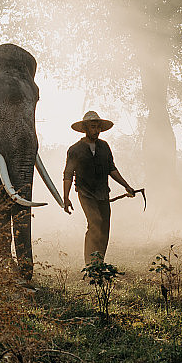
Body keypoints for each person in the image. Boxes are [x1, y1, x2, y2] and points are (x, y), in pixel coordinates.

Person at [63, 111, 136, 264]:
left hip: (103, 193)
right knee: (95, 222)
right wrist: (66, 197)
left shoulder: (104, 147)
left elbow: (112, 169)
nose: (96, 130)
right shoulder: (75, 150)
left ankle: (99, 263)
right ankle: (90, 264)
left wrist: (127, 186)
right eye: (92, 127)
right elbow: (68, 174)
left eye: (98, 127)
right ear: (85, 128)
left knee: (104, 227)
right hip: (85, 193)